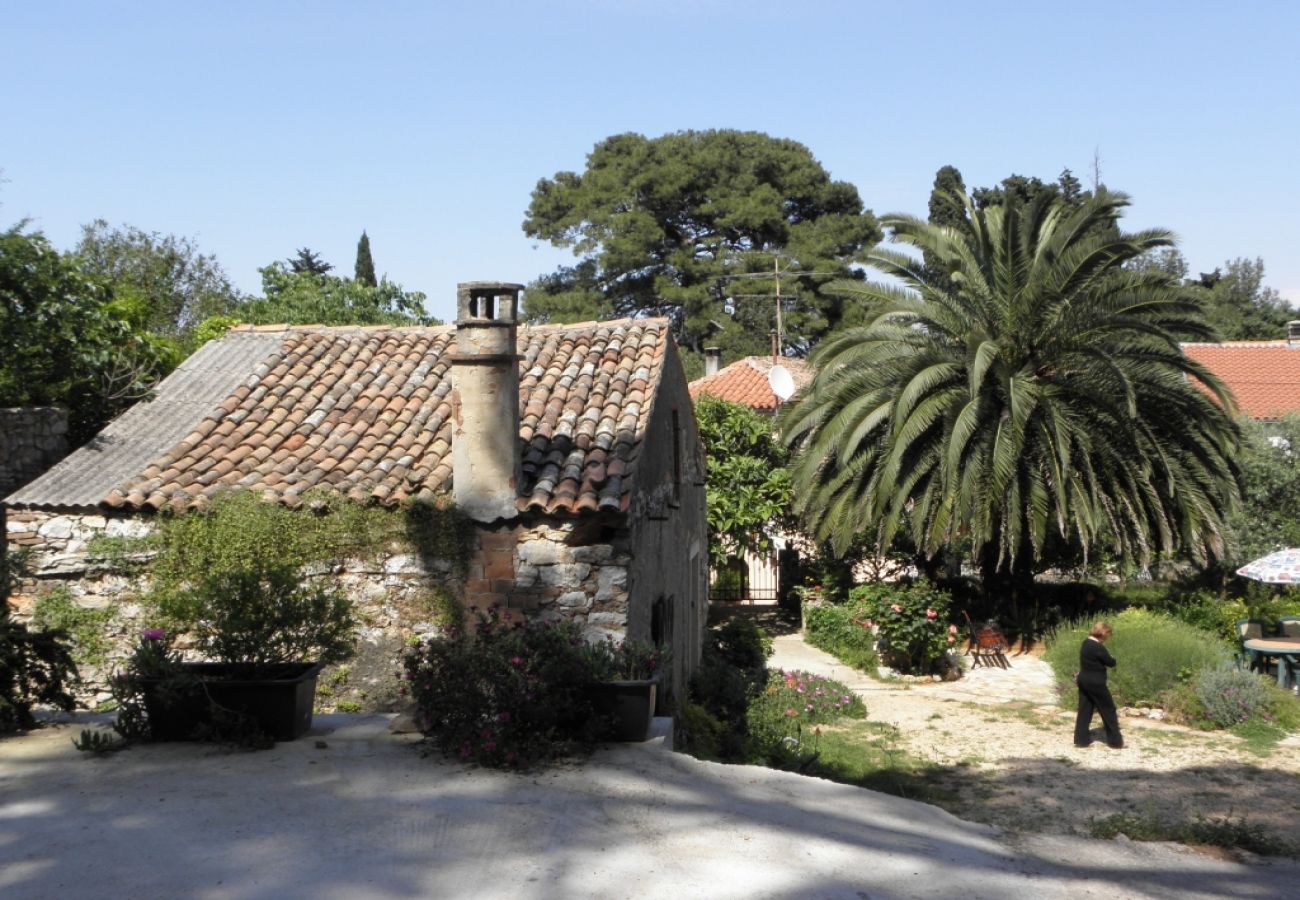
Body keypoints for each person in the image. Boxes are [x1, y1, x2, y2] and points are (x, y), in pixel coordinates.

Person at [1074, 621, 1123, 749]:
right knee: (1108, 709)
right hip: (1095, 682)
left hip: (1083, 679)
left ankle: (1081, 740)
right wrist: (1113, 657)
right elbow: (1111, 662)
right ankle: (1115, 741)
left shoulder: (1085, 643)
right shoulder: (1097, 647)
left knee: (1085, 709)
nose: (1107, 638)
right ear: (1103, 634)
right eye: (1107, 635)